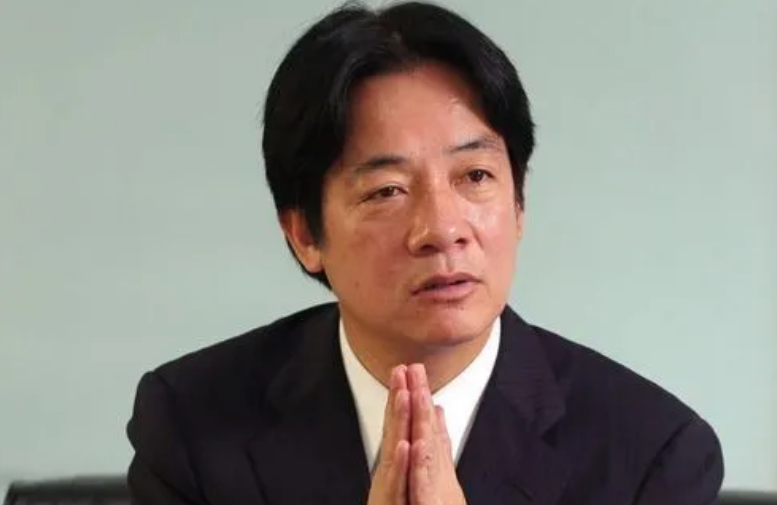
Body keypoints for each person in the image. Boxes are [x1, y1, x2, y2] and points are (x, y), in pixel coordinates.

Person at [126, 2, 724, 504]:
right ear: (304, 234)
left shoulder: (650, 457)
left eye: (475, 176)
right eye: (386, 190)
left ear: (519, 205)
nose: (442, 229)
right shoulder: (192, 425)